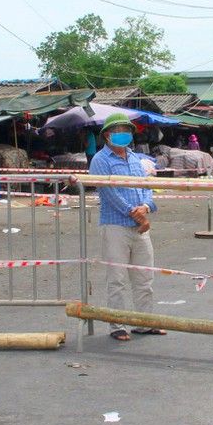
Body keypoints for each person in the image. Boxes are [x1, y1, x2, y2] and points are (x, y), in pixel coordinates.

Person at [89, 112, 165, 341]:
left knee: (144, 277)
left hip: (140, 226)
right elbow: (108, 192)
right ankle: (117, 326)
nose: (122, 134)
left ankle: (145, 322)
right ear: (106, 135)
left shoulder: (136, 159)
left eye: (126, 130)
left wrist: (146, 207)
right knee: (117, 278)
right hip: (116, 226)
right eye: (117, 131)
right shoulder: (100, 160)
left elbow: (146, 187)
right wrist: (136, 215)